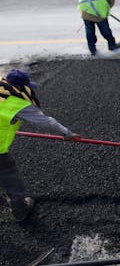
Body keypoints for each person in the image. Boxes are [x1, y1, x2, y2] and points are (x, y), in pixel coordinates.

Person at [0, 69, 79, 222]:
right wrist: (67, 134)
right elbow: (45, 121)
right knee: (8, 176)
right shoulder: (16, 103)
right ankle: (20, 211)